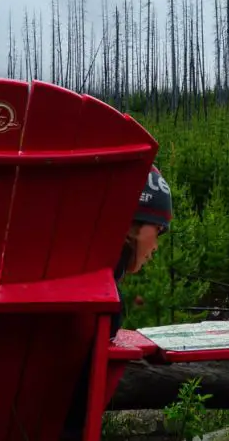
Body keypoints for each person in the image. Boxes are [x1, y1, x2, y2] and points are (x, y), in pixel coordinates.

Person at [61, 164, 172, 439]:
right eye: (158, 230)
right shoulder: (104, 303)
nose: (156, 245)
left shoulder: (66, 273)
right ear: (132, 224)